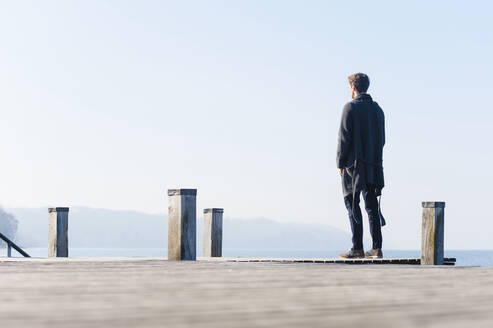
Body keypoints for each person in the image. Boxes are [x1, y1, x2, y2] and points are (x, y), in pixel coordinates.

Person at [336, 73, 386, 259]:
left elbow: (344, 138)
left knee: (352, 204)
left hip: (354, 167)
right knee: (372, 206)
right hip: (373, 166)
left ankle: (357, 248)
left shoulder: (350, 108)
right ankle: (376, 248)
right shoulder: (378, 110)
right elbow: (383, 140)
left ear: (353, 88)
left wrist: (340, 163)